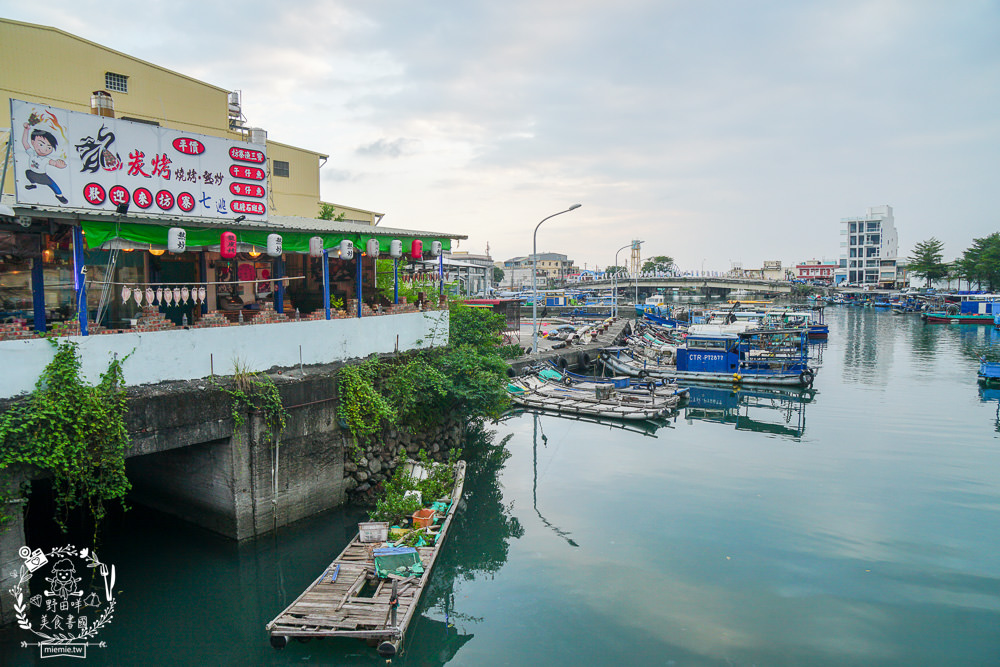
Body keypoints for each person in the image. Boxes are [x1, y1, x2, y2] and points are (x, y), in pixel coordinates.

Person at [21, 123, 68, 204]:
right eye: (41, 144)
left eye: (49, 147)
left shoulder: (46, 159)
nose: (44, 149)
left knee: (52, 184)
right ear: (33, 142)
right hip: (32, 173)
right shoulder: (32, 153)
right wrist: (26, 130)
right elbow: (24, 142)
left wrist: (60, 165)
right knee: (27, 173)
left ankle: (59, 195)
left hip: (42, 175)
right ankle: (33, 184)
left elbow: (54, 163)